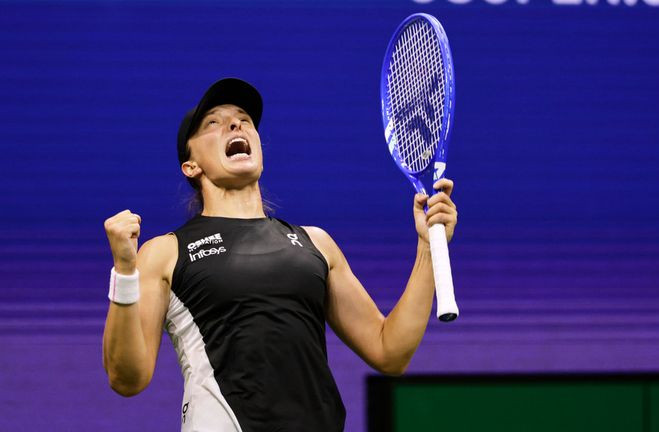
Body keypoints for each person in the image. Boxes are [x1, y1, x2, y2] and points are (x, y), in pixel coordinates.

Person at [102, 78, 458, 431]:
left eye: (244, 119)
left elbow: (390, 351)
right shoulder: (165, 252)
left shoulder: (316, 243)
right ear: (191, 166)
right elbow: (127, 378)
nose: (235, 123)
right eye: (213, 122)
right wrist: (124, 271)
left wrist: (427, 248)